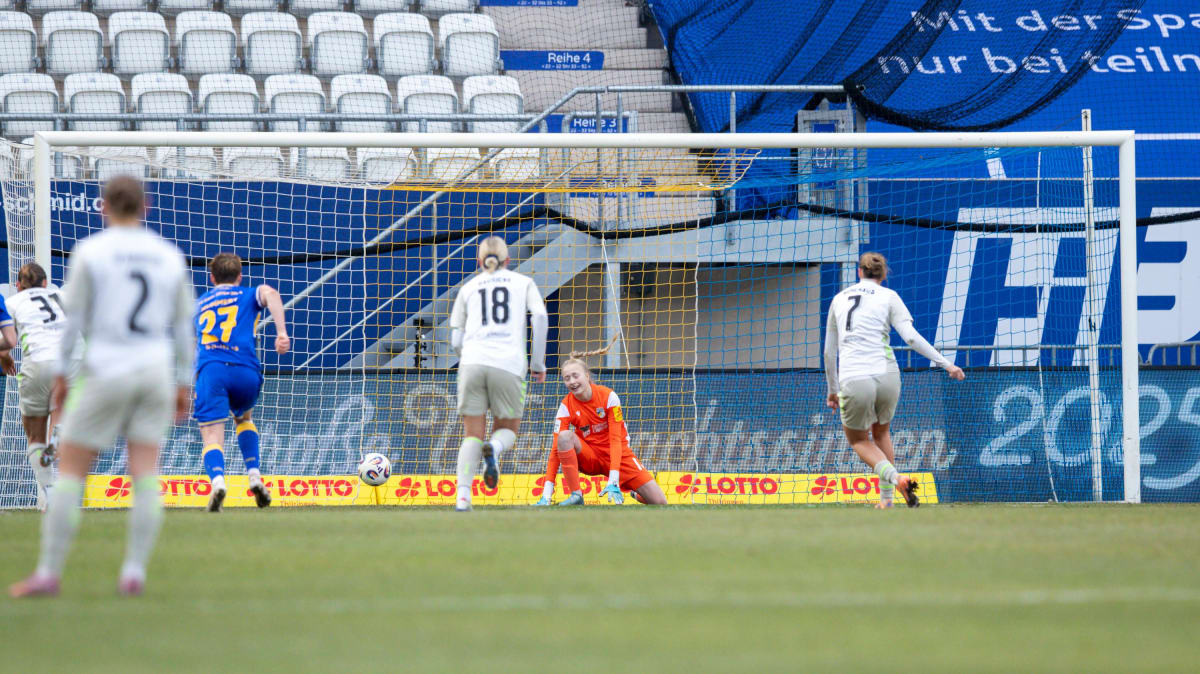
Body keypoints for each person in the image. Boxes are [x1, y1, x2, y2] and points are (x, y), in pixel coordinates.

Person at [9, 175, 195, 598]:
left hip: (106, 366)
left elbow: (73, 321)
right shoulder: (168, 255)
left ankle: (49, 572)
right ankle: (134, 571)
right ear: (146, 206)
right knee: (145, 471)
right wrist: (184, 382)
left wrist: (61, 375)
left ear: (104, 207)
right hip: (153, 368)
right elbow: (183, 327)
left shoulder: (91, 252)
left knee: (71, 472)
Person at [823, 252, 964, 508]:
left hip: (855, 375)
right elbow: (911, 337)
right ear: (884, 274)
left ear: (859, 272)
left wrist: (833, 390)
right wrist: (947, 364)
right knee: (882, 432)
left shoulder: (839, 299)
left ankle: (897, 479)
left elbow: (829, 352)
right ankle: (887, 500)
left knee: (858, 440)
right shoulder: (890, 296)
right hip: (887, 374)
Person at [449, 236, 548, 511]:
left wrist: (468, 358)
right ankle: (494, 447)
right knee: (507, 431)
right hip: (508, 364)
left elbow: (456, 340)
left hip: (471, 364)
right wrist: (537, 364)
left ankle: (463, 498)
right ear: (508, 260)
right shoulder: (523, 282)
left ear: (479, 261)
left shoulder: (468, 288)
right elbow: (540, 317)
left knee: (471, 435)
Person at [193, 253, 290, 512]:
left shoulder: (200, 303)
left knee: (211, 433)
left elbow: (193, 342)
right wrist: (281, 333)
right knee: (244, 419)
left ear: (212, 278)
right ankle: (255, 476)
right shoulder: (248, 294)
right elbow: (271, 293)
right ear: (240, 276)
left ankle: (218, 483)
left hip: (212, 370)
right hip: (245, 370)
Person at [534, 343, 668, 507]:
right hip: (590, 457)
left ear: (587, 376)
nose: (572, 382)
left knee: (660, 502)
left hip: (619, 456)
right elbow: (555, 450)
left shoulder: (609, 397)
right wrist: (546, 496)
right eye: (567, 378)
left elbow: (616, 440)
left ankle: (633, 492)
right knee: (564, 437)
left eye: (575, 376)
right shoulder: (565, 406)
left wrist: (613, 480)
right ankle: (576, 495)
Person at [0, 262, 82, 511]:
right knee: (60, 418)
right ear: (46, 283)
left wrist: (5, 358)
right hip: (72, 360)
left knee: (35, 435)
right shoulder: (62, 296)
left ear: (17, 285)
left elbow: (7, 340)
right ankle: (56, 444)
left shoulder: (12, 303)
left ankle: (50, 491)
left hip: (38, 361)